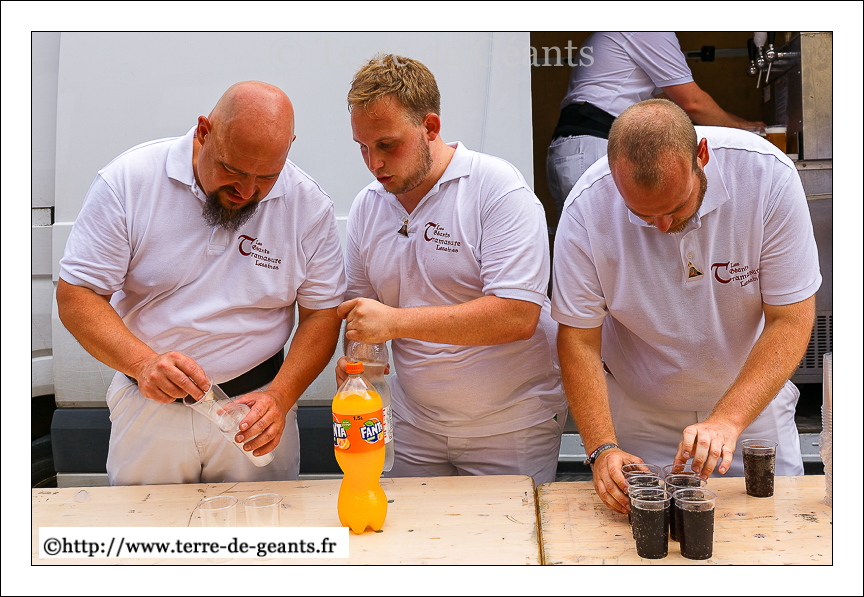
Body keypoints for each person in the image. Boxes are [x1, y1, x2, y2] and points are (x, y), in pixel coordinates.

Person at [57, 81, 346, 486]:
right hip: (150, 409)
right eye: (232, 170)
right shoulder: (129, 181)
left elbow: (321, 316)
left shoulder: (308, 205)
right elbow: (78, 295)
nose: (247, 191)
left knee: (265, 527)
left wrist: (280, 396)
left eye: (267, 176)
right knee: (148, 526)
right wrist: (142, 364)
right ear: (204, 132)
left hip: (256, 410)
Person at [552, 99, 820, 513]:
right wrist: (602, 447)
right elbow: (578, 339)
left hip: (752, 409)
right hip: (641, 413)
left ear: (702, 156)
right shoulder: (587, 207)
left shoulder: (767, 175)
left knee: (779, 526)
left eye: (675, 207)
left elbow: (791, 318)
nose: (662, 226)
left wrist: (728, 419)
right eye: (642, 214)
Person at [335, 54, 567, 485]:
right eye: (362, 147)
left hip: (509, 425)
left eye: (387, 144)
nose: (373, 163)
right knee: (406, 529)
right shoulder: (368, 206)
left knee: (506, 532)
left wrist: (395, 323)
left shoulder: (497, 189)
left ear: (430, 127)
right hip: (413, 423)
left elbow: (517, 315)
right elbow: (362, 317)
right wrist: (358, 363)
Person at [547, 32, 765, 221]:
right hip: (597, 147)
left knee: (584, 245)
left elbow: (672, 105)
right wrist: (747, 132)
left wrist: (740, 123)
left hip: (572, 149)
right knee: (615, 243)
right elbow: (692, 103)